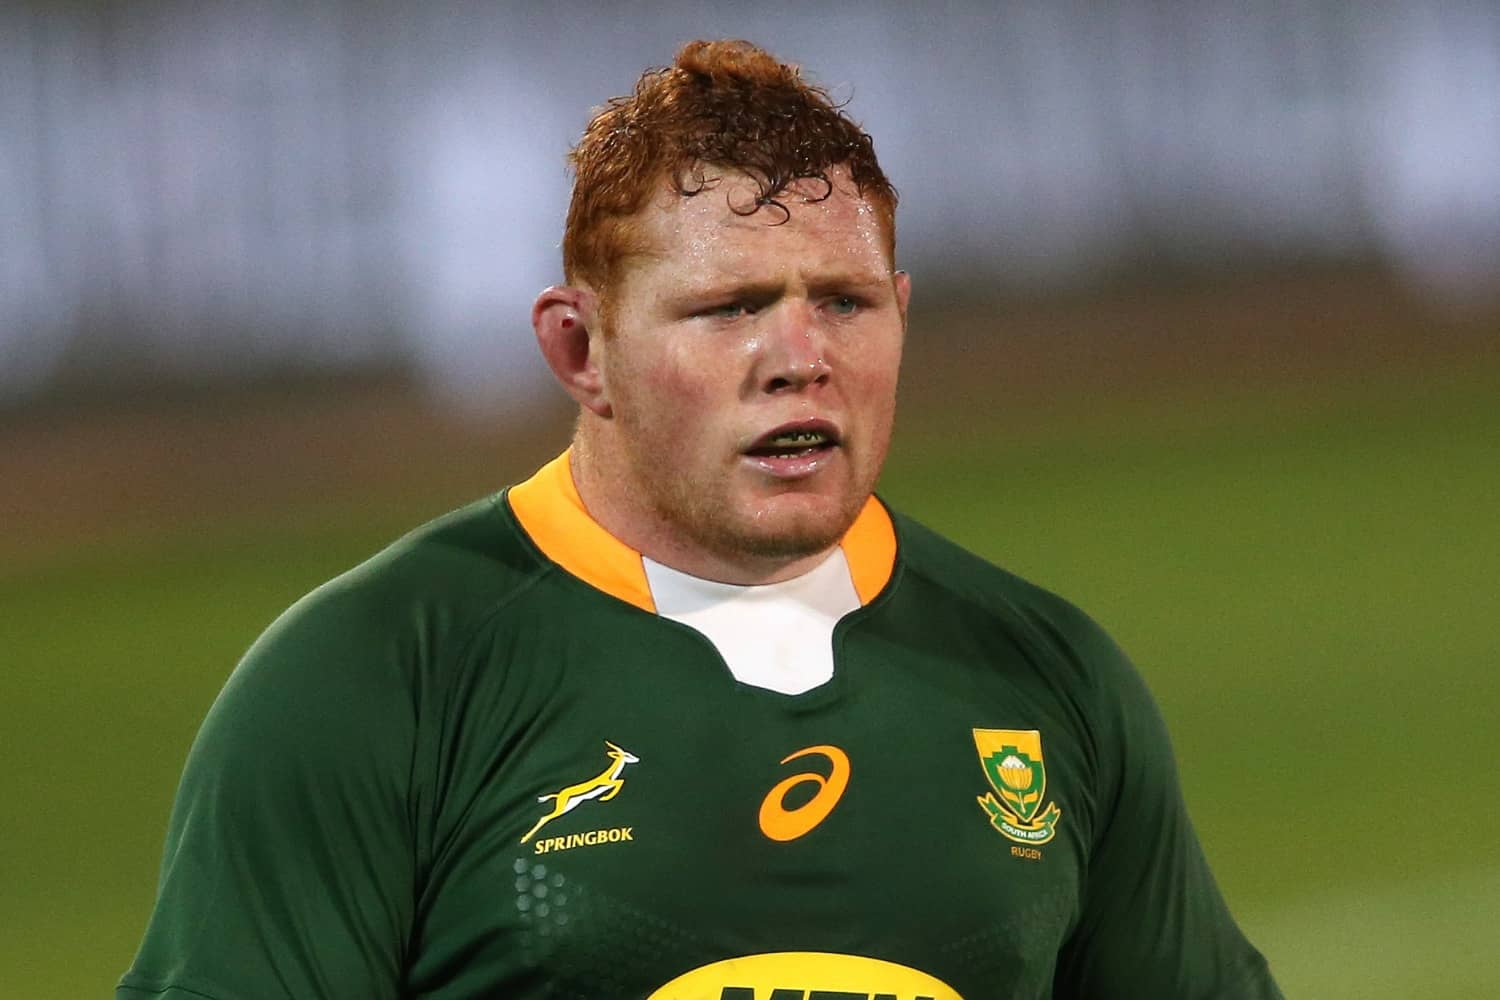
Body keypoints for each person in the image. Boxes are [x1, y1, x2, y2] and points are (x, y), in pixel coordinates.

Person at [118, 39, 1283, 1000]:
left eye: (845, 302)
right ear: (581, 349)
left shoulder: (1047, 676)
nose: (799, 358)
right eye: (730, 308)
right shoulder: (376, 680)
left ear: (902, 314)